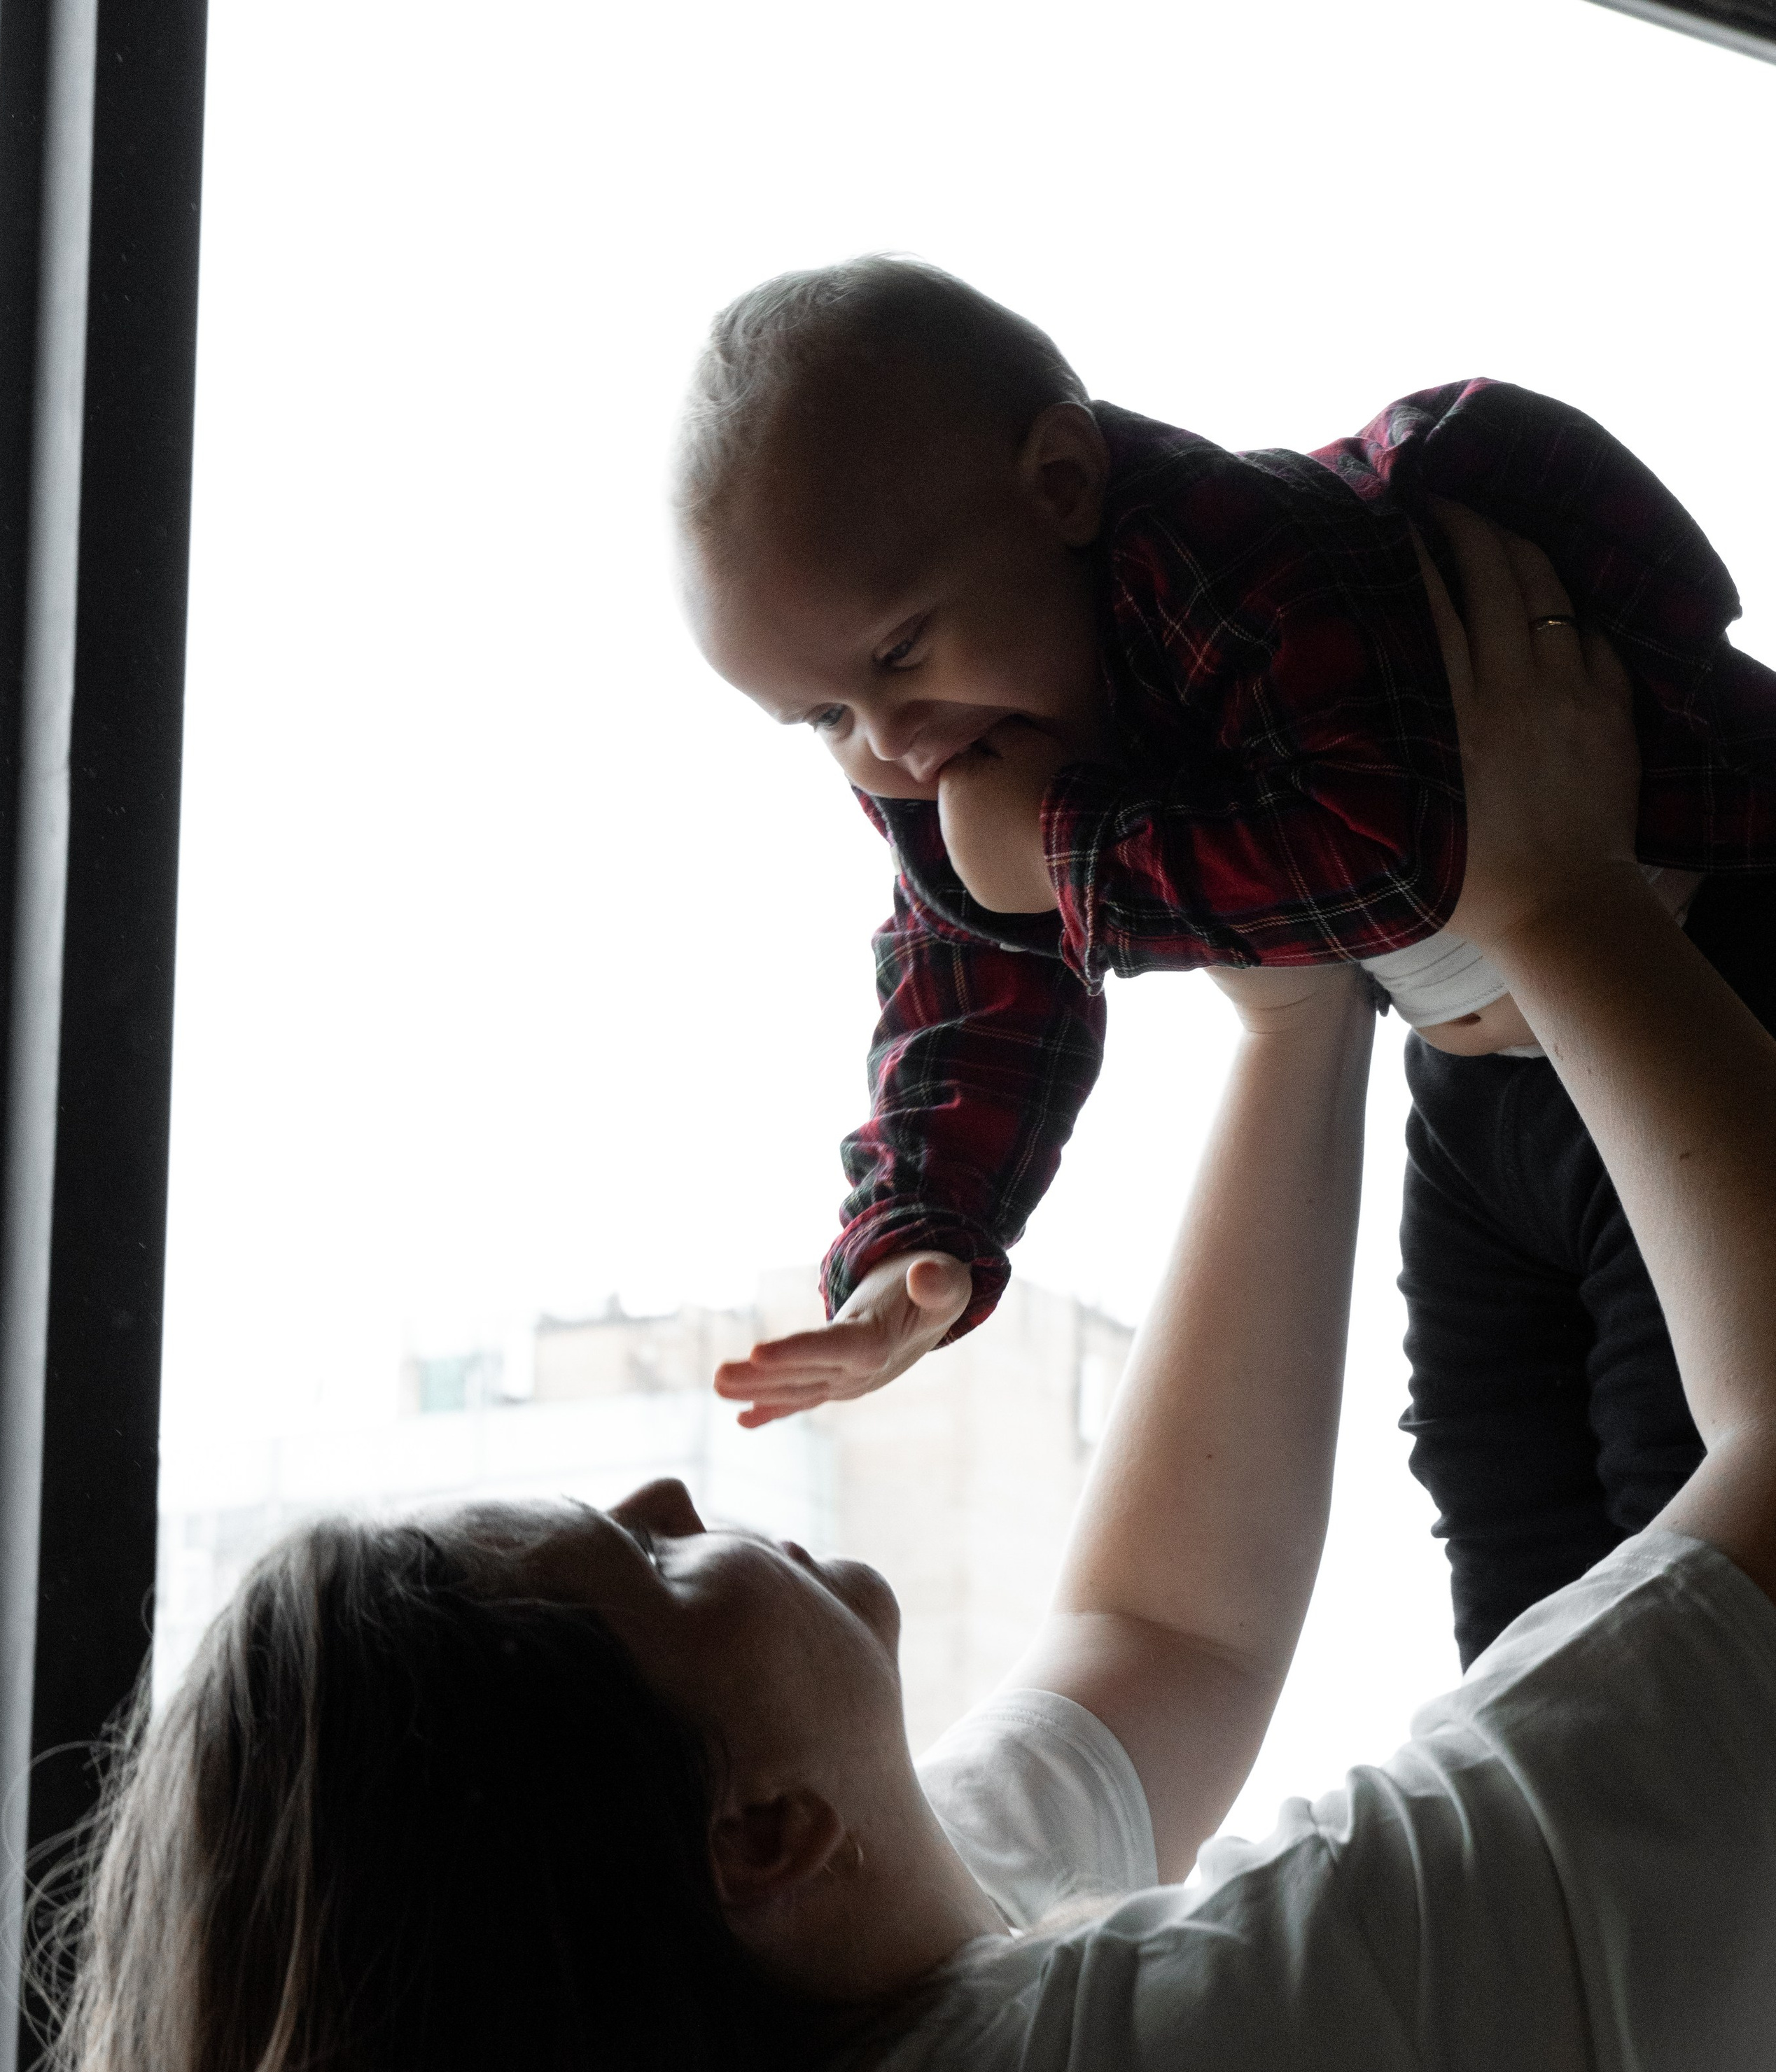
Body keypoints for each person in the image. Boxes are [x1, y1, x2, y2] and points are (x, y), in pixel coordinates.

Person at [11, 514, 1776, 2072]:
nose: (677, 1477)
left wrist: (1289, 1025)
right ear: (751, 1838)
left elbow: (1167, 1646)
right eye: (639, 1558)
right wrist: (1564, 897)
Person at [680, 255, 1776, 1664]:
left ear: (1062, 482)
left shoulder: (1242, 556)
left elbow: (1388, 844)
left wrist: (1061, 852)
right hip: (1476, 1093)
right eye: (820, 715)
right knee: (1500, 1535)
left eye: (900, 651)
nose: (889, 743)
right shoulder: (953, 727)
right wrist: (922, 1230)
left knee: (1683, 1549)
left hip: (1711, 973)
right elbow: (963, 965)